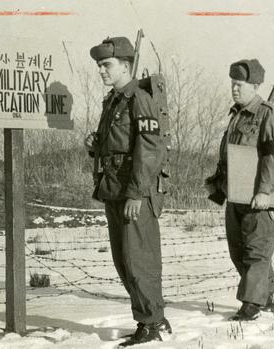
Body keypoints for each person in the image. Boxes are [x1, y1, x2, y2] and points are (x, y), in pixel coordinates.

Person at [84, 37, 171, 345]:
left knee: (139, 260)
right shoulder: (113, 101)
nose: (101, 71)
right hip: (114, 189)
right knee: (124, 261)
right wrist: (95, 145)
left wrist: (136, 192)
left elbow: (149, 150)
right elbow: (117, 145)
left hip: (135, 192)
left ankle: (150, 322)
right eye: (99, 66)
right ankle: (152, 317)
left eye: (106, 65)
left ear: (125, 65)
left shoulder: (139, 99)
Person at [205, 59, 274, 321]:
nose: (234, 88)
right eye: (232, 83)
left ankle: (252, 304)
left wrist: (264, 191)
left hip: (257, 198)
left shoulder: (268, 114)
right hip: (235, 195)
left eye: (239, 84)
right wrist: (217, 184)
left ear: (254, 85)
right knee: (238, 251)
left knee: (256, 251)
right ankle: (267, 295)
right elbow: (229, 157)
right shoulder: (237, 116)